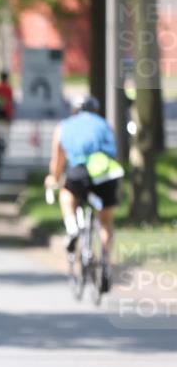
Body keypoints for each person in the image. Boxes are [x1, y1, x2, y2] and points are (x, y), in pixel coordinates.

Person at [44, 94, 124, 293]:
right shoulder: (104, 124)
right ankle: (105, 261)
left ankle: (72, 226)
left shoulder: (64, 126)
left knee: (67, 194)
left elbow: (58, 160)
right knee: (105, 221)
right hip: (104, 172)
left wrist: (53, 178)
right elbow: (114, 151)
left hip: (78, 172)